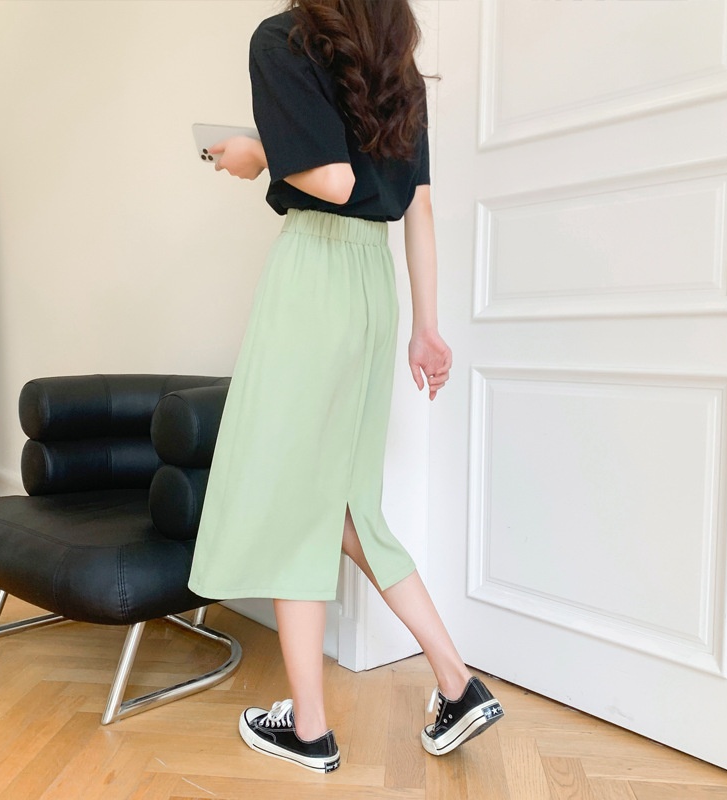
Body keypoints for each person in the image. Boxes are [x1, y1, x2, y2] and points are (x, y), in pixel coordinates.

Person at [188, 0, 503, 774]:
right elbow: (418, 204)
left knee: (296, 493)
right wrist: (425, 326)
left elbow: (329, 180)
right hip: (373, 282)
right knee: (343, 502)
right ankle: (456, 684)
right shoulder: (394, 54)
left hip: (315, 274)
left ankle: (310, 731)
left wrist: (256, 154)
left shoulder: (282, 39)